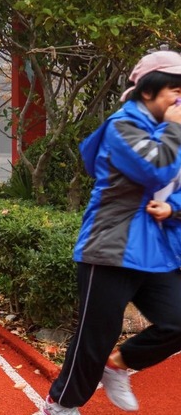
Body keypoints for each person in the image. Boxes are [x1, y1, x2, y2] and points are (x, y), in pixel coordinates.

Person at [42, 50, 181, 414]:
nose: (180, 100)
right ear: (148, 91)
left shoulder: (171, 131)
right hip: (110, 247)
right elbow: (156, 170)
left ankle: (118, 364)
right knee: (96, 335)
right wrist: (175, 129)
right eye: (176, 90)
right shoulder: (122, 127)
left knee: (177, 321)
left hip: (158, 249)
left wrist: (174, 207)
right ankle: (60, 405)